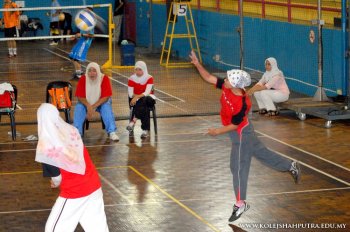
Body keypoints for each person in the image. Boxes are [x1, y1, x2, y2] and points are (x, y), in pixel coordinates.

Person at [189, 50, 301, 222]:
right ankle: (290, 165)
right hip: (240, 133)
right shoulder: (228, 87)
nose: (223, 80)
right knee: (262, 154)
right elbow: (208, 78)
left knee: (238, 167)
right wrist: (197, 64)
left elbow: (234, 125)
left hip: (242, 134)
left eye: (227, 79)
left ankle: (241, 203)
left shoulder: (242, 103)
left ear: (234, 84)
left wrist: (216, 131)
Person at [35, 103, 109, 232]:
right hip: (93, 186)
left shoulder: (45, 145)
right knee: (98, 229)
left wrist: (55, 182)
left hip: (75, 192)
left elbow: (57, 178)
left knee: (53, 229)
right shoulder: (71, 130)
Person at [73, 62, 119, 141]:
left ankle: (112, 132)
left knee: (106, 107)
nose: (92, 73)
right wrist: (88, 105)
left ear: (98, 71)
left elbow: (106, 97)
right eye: (90, 71)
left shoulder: (104, 78)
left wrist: (92, 107)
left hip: (101, 101)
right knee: (79, 107)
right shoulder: (83, 79)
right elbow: (80, 96)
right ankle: (77, 132)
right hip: (87, 102)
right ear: (87, 71)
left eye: (94, 71)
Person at [127, 61, 156, 138]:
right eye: (136, 69)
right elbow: (130, 94)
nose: (137, 72)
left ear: (144, 69)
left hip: (148, 99)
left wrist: (136, 97)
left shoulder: (149, 78)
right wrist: (137, 97)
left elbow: (147, 92)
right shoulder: (131, 78)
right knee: (144, 106)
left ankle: (134, 120)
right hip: (138, 101)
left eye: (140, 69)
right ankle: (145, 130)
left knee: (145, 100)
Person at [68, 7, 94, 79]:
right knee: (72, 57)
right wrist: (75, 36)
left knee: (77, 59)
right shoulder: (83, 22)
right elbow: (81, 34)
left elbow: (91, 35)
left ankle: (79, 75)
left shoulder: (90, 24)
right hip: (81, 41)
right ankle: (78, 72)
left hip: (85, 43)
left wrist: (81, 35)